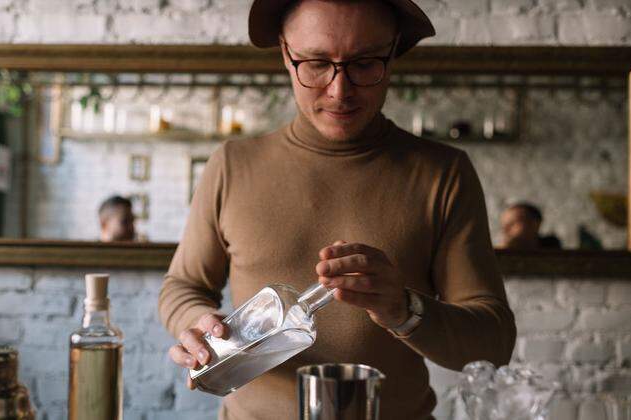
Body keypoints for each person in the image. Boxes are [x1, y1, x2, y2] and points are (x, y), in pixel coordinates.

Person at [160, 1, 517, 419]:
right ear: (285, 54)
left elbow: (493, 343)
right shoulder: (232, 164)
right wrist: (203, 326)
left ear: (393, 53)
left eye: (364, 63)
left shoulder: (444, 173)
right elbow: (183, 286)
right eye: (315, 63)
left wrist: (403, 310)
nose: (339, 90)